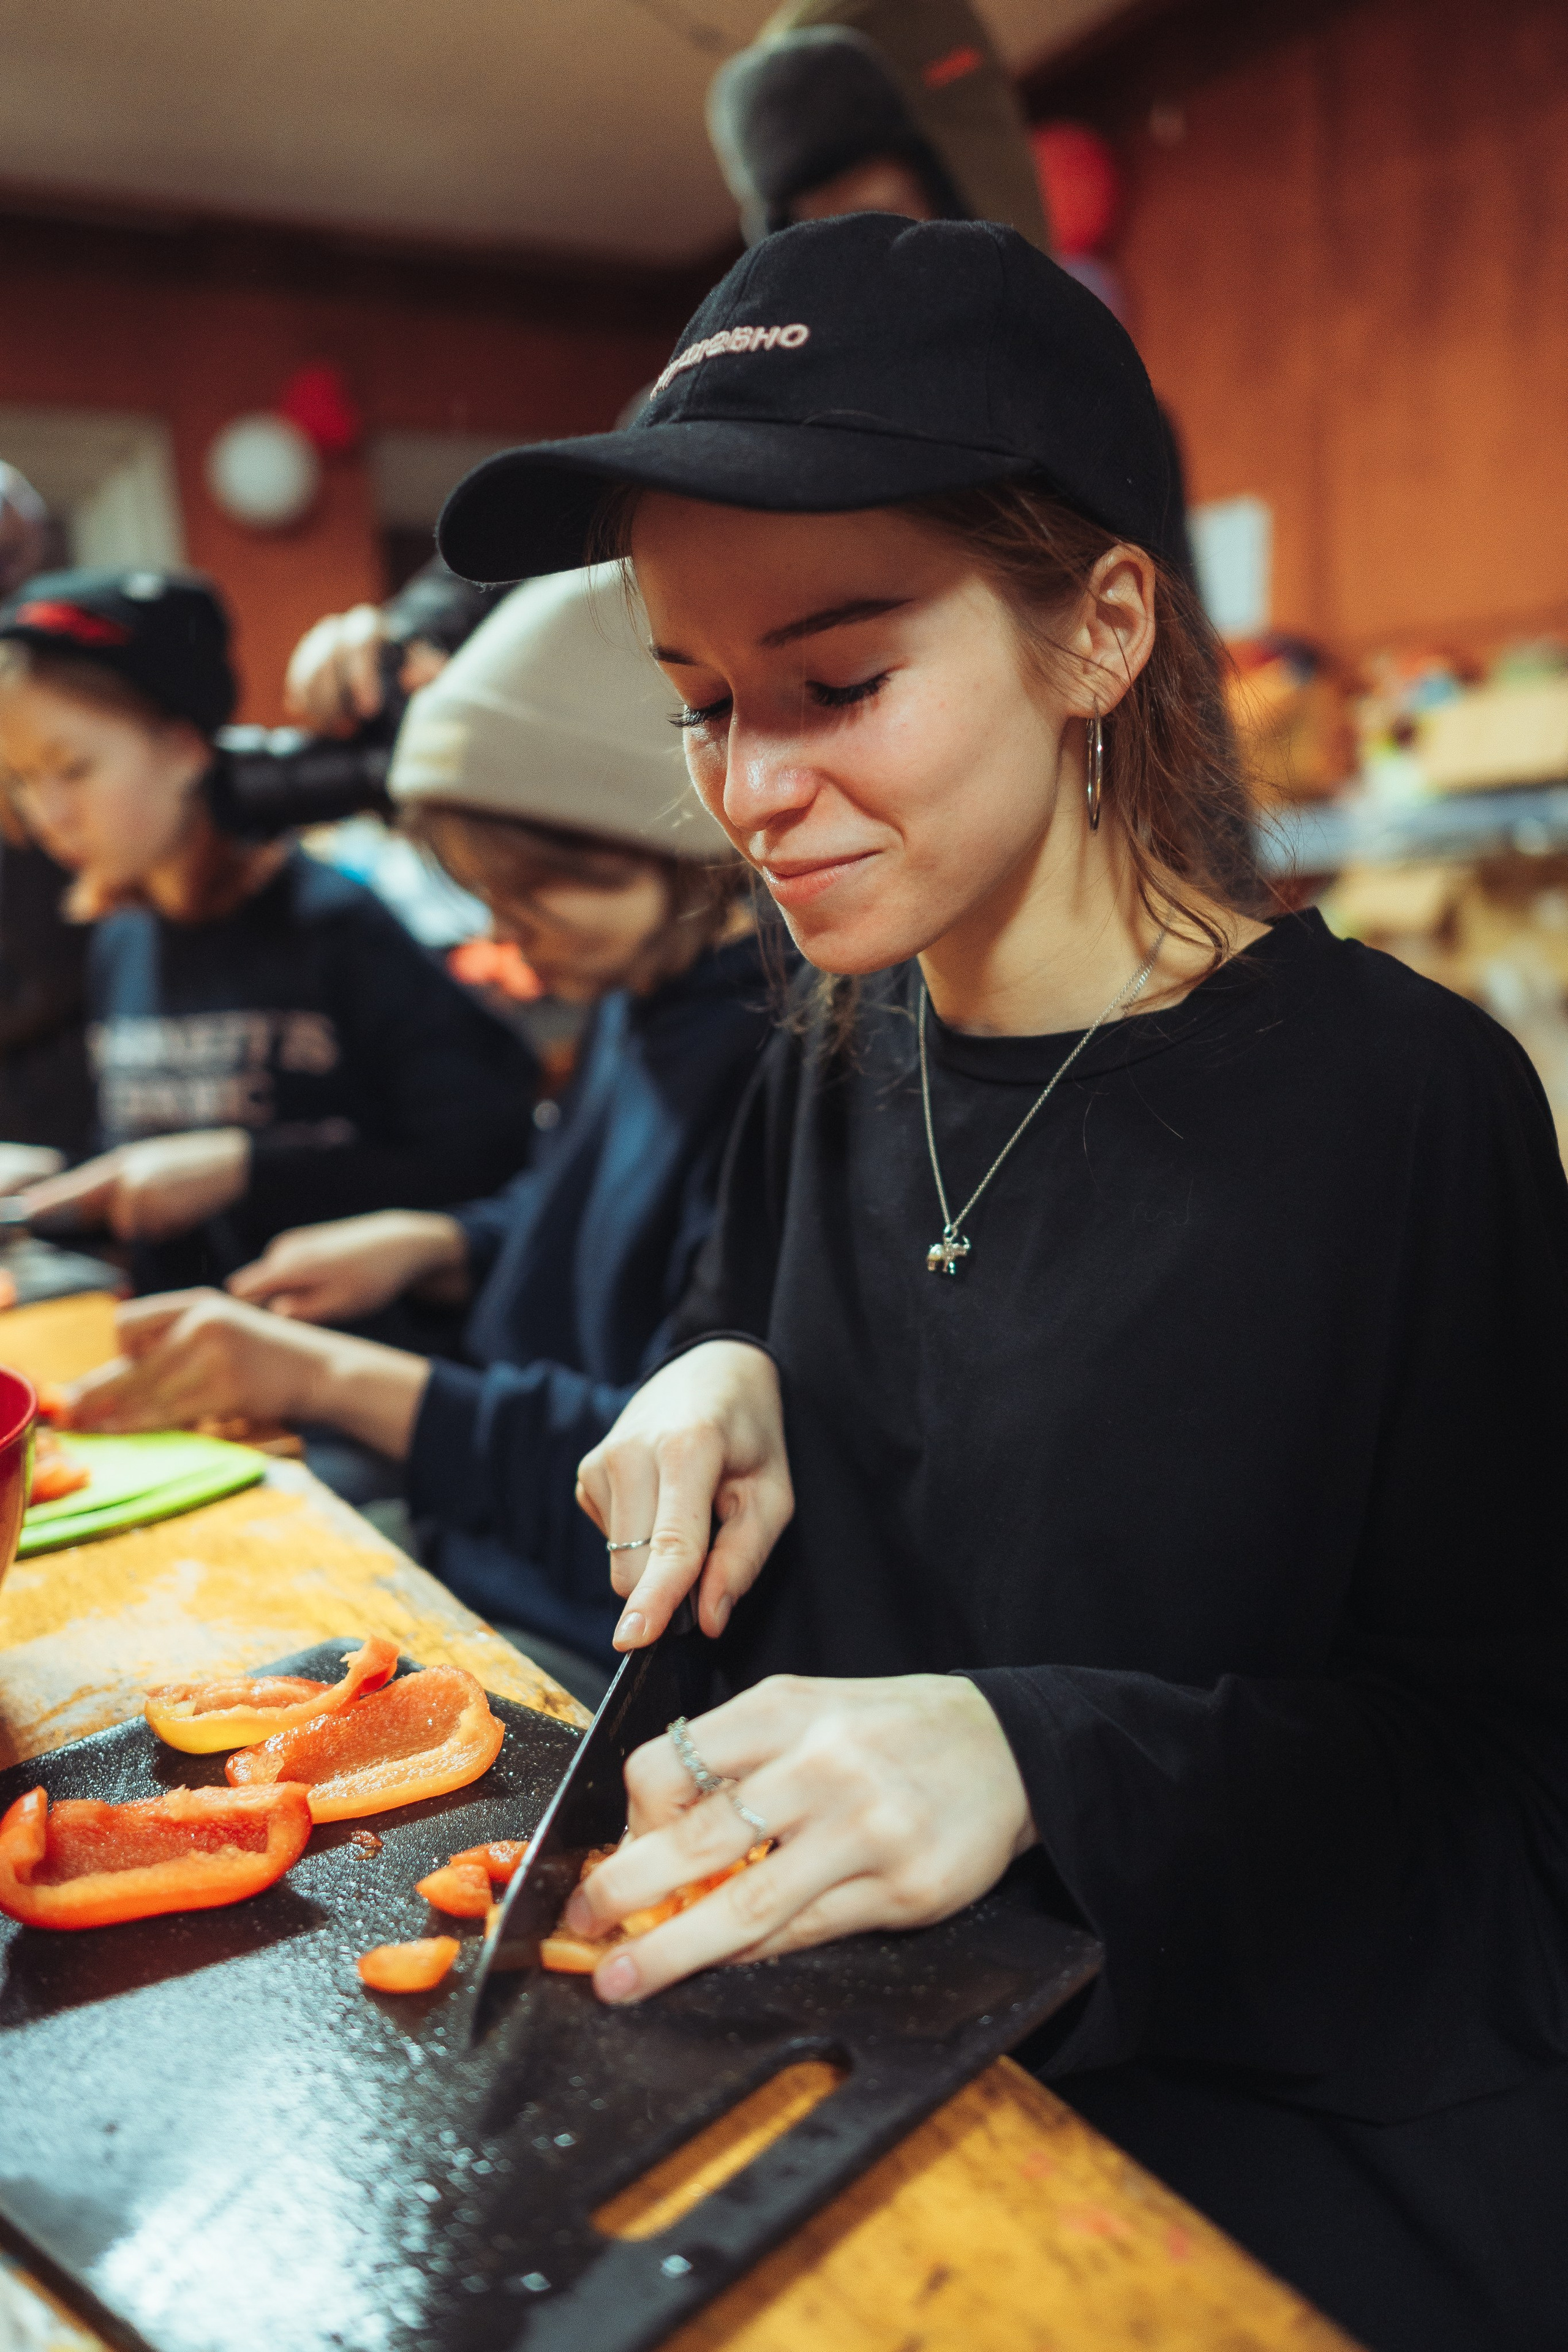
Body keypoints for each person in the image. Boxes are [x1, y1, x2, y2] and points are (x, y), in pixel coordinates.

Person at [427, 216, 1567, 2352]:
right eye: (701, 704)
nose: (752, 792)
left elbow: (1510, 1805)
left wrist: (1037, 1758)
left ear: (1100, 629)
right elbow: (767, 1320)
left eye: (839, 683)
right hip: (834, 2087)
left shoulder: (1404, 1107)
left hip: (1239, 2144)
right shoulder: (828, 1043)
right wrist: (712, 1365)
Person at [64, 566, 774, 1699]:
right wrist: (433, 1243)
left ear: (660, 842)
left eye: (531, 902)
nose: (509, 941)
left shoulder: (762, 1056)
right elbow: (582, 1232)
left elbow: (645, 1451)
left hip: (595, 1624)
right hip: (482, 1546)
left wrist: (319, 1376)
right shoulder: (637, 995)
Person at [0, 568, 538, 1292]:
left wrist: (246, 1169)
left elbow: (488, 1152)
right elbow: (148, 1158)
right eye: (21, 780)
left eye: (72, 768)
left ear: (184, 746)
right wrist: (57, 1184)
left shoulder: (336, 925)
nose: (48, 815)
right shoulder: (119, 940)